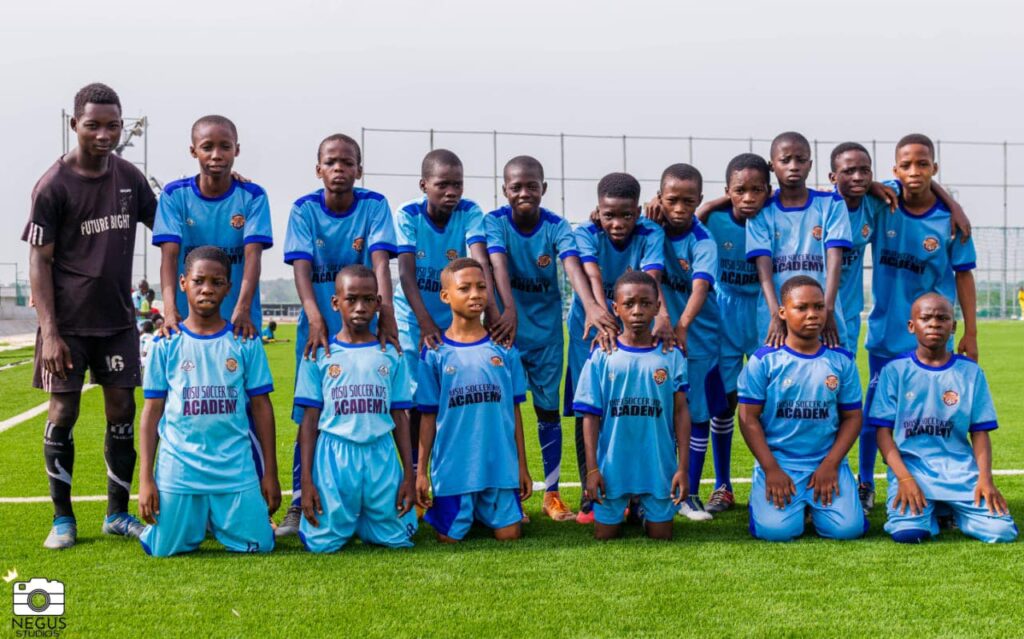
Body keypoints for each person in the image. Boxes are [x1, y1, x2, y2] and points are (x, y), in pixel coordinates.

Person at [23, 83, 157, 549]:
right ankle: (62, 520)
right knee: (65, 409)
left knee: (122, 409)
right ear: (74, 124)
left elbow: (167, 225)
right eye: (94, 125)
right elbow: (39, 260)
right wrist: (50, 332)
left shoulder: (130, 178)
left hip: (117, 321)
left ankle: (117, 515)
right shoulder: (53, 186)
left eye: (113, 125)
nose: (105, 134)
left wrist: (217, 185)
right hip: (67, 326)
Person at [277, 133, 398, 535]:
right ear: (319, 170)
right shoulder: (304, 209)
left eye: (347, 163)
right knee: (309, 413)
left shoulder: (375, 205)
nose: (339, 169)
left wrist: (387, 312)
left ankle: (385, 495)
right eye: (331, 162)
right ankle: (299, 499)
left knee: (375, 408)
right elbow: (302, 269)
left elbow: (381, 263)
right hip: (321, 333)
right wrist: (314, 317)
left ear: (359, 170)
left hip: (366, 329)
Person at [485, 155, 617, 522]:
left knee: (547, 412)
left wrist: (590, 305)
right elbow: (496, 264)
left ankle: (552, 494)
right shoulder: (494, 223)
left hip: (545, 336)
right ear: (505, 190)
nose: (524, 192)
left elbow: (573, 267)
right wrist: (507, 309)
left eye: (532, 186)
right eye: (516, 187)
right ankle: (510, 494)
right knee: (502, 412)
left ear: (544, 188)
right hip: (504, 333)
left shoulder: (558, 227)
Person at [859, 134, 979, 512]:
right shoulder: (882, 204)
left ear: (934, 168)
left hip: (933, 340)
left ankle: (941, 486)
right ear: (894, 171)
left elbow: (963, 275)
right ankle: (865, 484)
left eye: (923, 164)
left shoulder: (948, 221)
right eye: (906, 165)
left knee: (935, 416)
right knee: (873, 415)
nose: (915, 171)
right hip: (885, 335)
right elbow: (848, 186)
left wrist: (972, 332)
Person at [137, 246, 280, 557]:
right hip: (180, 467)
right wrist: (146, 477)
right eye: (199, 280)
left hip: (234, 467)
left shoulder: (245, 340)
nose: (207, 289)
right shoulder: (166, 343)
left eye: (217, 282)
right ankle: (190, 518)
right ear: (184, 283)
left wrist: (270, 472)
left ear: (228, 287)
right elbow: (151, 413)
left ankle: (217, 517)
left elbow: (262, 408)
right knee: (163, 550)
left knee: (261, 545)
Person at [870, 293, 1017, 543]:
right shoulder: (894, 371)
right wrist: (904, 479)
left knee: (1002, 533)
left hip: (959, 472)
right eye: (925, 318)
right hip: (913, 470)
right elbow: (882, 433)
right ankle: (936, 510)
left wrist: (985, 479)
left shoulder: (970, 372)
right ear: (911, 325)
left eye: (942, 318)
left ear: (953, 326)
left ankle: (949, 509)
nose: (934, 323)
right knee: (909, 534)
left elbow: (980, 432)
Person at [566, 172, 668, 523]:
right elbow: (592, 276)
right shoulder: (584, 232)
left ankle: (639, 495)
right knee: (590, 407)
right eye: (609, 215)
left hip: (633, 322)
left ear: (638, 212)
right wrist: (599, 314)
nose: (617, 223)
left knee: (638, 402)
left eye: (626, 215)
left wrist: (656, 316)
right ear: (598, 211)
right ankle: (589, 492)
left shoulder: (651, 232)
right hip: (591, 326)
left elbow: (651, 279)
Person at [294, 265, 417, 552]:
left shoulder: (391, 354)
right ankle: (344, 520)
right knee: (322, 544)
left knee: (398, 539)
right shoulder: (319, 354)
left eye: (368, 300)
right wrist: (306, 480)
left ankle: (370, 519)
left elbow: (400, 415)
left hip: (381, 454)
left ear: (378, 303)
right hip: (334, 457)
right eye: (351, 299)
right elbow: (309, 420)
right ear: (336, 303)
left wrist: (409, 476)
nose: (360, 307)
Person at [737, 276, 866, 542]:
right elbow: (748, 418)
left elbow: (853, 418)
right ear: (782, 312)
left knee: (847, 531)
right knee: (777, 532)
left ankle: (824, 498)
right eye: (802, 308)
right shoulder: (764, 361)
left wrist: (830, 464)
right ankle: (764, 497)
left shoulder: (841, 361)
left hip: (826, 462)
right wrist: (771, 468)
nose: (812, 315)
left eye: (819, 307)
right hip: (780, 463)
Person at [414, 258, 532, 542]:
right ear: (445, 296)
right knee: (449, 539)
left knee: (509, 536)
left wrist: (522, 467)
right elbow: (428, 416)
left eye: (481, 287)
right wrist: (421, 472)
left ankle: (485, 507)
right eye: (464, 288)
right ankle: (469, 507)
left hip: (500, 467)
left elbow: (514, 411)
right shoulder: (435, 352)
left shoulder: (504, 349)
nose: (475, 294)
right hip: (455, 469)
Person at [574, 271, 691, 540]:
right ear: (615, 308)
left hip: (658, 466)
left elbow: (682, 412)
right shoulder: (603, 354)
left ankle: (644, 510)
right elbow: (589, 416)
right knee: (605, 535)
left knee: (661, 536)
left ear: (657, 307)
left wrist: (682, 467)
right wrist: (591, 470)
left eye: (645, 303)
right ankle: (625, 507)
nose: (637, 311)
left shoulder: (671, 355)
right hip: (612, 468)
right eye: (628, 304)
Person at [648, 164, 729, 521]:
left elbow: (699, 288)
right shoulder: (649, 229)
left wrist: (680, 325)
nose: (679, 208)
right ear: (659, 198)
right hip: (655, 335)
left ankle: (689, 495)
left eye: (687, 201)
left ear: (698, 201)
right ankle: (650, 490)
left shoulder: (703, 240)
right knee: (656, 411)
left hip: (696, 337)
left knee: (696, 414)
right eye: (671, 200)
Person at [696, 154, 773, 515]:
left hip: (764, 314)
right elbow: (689, 224)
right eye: (739, 190)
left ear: (768, 192)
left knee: (769, 402)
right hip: (724, 317)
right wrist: (712, 202)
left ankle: (770, 478)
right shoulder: (713, 218)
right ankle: (722, 484)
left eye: (757, 190)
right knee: (724, 403)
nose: (748, 197)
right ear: (728, 192)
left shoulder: (775, 215)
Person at [152, 115, 273, 340]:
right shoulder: (174, 196)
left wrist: (243, 309)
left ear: (236, 150)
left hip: (239, 322)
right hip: (185, 322)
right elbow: (168, 258)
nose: (216, 155)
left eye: (225, 147)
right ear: (193, 151)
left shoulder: (253, 196)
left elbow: (253, 257)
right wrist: (169, 311)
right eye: (207, 147)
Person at [746, 131, 852, 350]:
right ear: (772, 165)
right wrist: (776, 313)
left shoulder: (831, 203)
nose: (794, 166)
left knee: (832, 374)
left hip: (821, 312)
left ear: (810, 164)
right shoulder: (761, 211)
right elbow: (763, 269)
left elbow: (835, 260)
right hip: (776, 313)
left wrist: (828, 310)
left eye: (801, 160)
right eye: (785, 160)